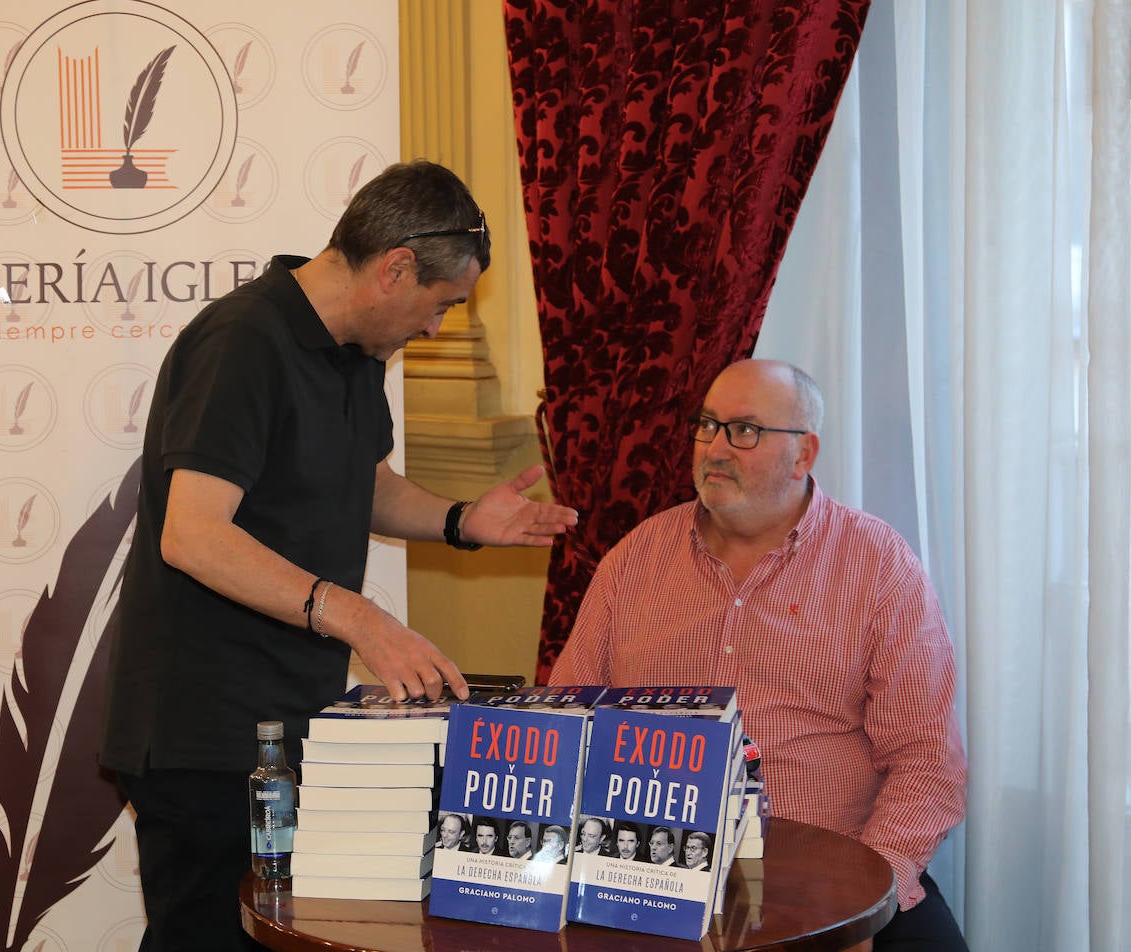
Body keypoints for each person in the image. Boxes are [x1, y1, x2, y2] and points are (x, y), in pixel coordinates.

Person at [99, 160, 578, 952]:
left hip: (285, 719)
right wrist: (354, 615)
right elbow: (192, 533)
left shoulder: (355, 352)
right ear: (394, 268)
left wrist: (462, 520)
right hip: (200, 734)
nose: (435, 329)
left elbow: (366, 487)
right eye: (441, 304)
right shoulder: (242, 341)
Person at [551, 359, 968, 952]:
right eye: (707, 426)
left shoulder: (876, 565)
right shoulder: (636, 559)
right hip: (652, 877)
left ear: (804, 455)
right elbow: (567, 723)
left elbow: (928, 764)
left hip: (830, 873)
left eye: (744, 430)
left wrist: (868, 897)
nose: (715, 448)